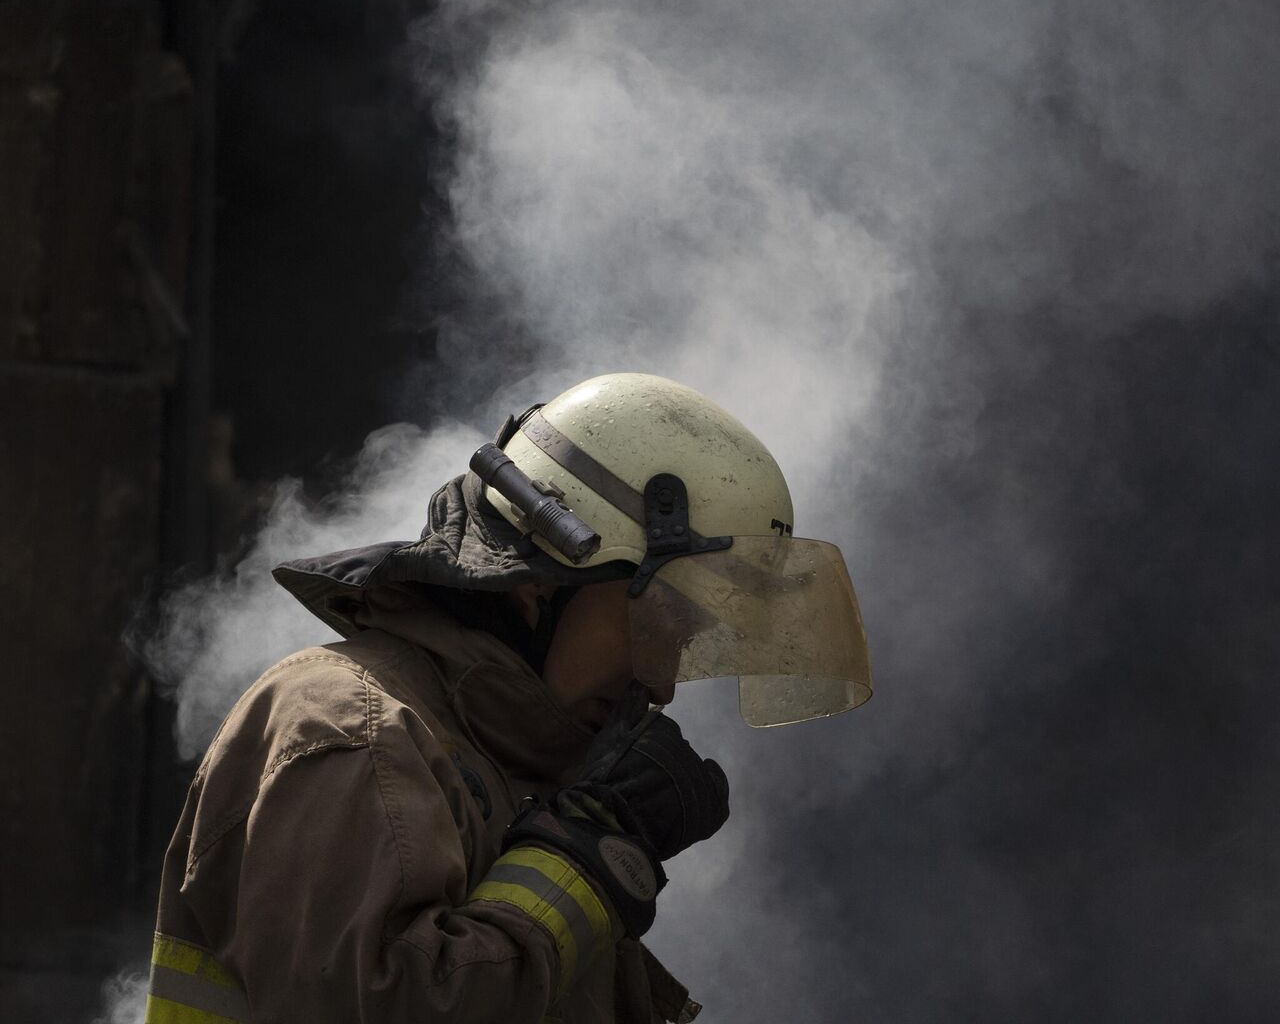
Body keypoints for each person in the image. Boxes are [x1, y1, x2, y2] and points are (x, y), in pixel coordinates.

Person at [143, 373, 873, 1023]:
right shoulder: (353, 731)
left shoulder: (508, 770)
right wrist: (586, 860)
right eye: (657, 630)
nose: (663, 686)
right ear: (538, 584)